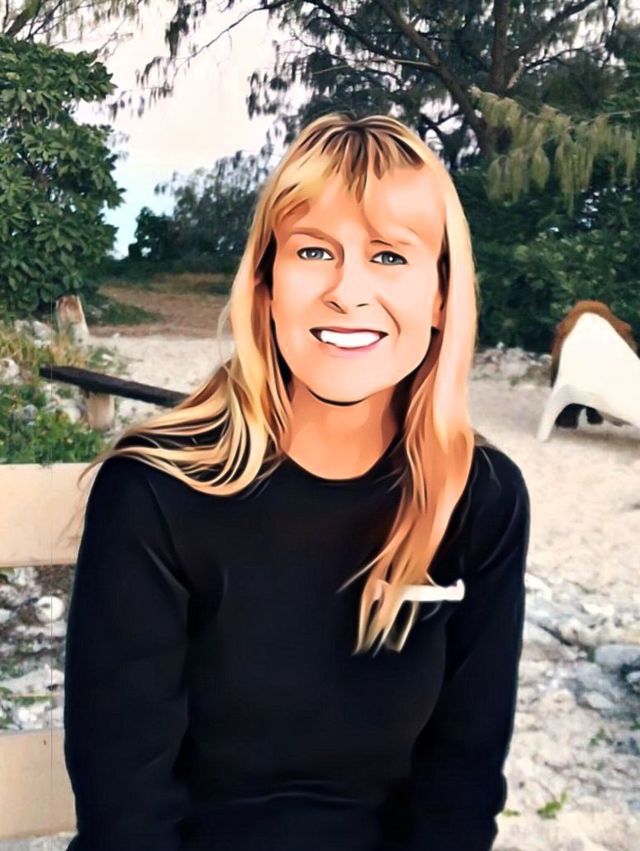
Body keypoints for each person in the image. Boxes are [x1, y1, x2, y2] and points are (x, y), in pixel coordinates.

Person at [63, 112, 531, 851]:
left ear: (441, 296)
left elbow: (460, 787)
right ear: (266, 284)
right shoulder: (154, 496)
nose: (348, 291)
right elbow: (127, 814)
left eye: (389, 256)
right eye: (314, 250)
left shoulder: (480, 497)